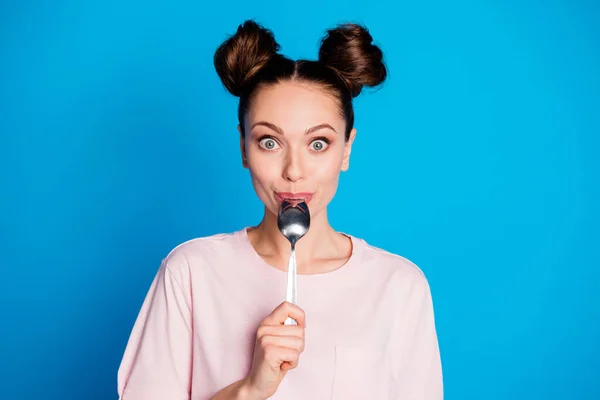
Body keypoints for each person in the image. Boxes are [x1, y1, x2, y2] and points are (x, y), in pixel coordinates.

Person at [117, 19, 443, 400]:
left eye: (318, 143)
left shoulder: (399, 286)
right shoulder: (190, 272)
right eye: (270, 142)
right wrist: (251, 390)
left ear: (347, 149)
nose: (293, 170)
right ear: (243, 147)